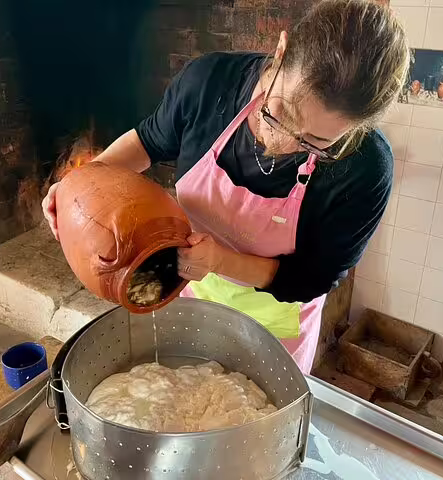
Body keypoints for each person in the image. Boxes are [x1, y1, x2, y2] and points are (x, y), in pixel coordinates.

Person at [42, 0, 409, 374]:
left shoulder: (365, 169)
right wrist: (80, 182)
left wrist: (219, 261)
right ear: (281, 51)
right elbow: (148, 142)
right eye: (279, 112)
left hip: (275, 332)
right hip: (188, 298)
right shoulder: (209, 83)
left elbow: (313, 276)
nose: (279, 142)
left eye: (314, 141)